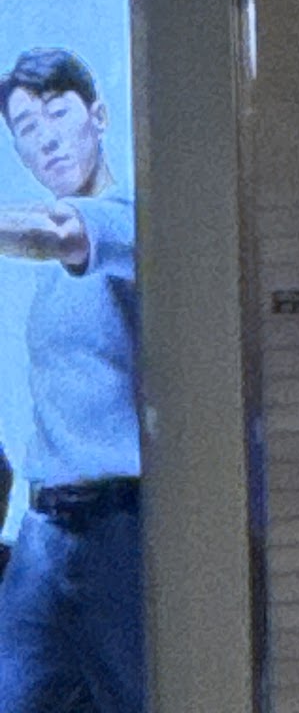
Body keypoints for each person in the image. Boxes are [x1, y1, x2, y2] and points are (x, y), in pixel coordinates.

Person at [0, 49, 140, 713]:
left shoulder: (133, 215)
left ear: (99, 116)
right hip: (43, 529)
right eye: (27, 128)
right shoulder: (48, 283)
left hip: (119, 526)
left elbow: (58, 230)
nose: (47, 139)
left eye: (58, 113)